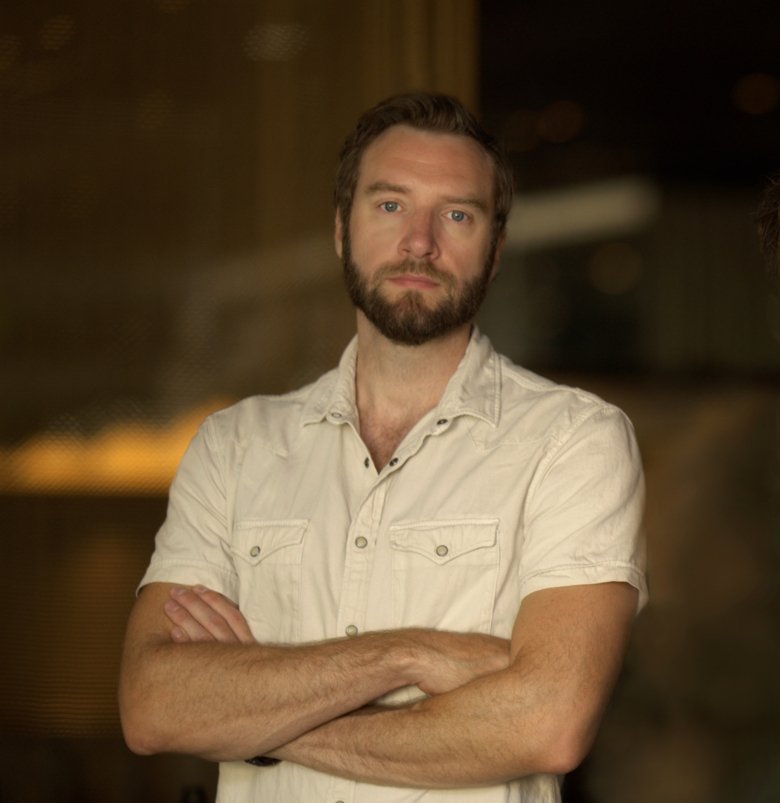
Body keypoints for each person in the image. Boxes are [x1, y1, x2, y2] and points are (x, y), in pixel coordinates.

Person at [119, 91, 647, 802]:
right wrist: (412, 654)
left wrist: (249, 715)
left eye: (457, 214)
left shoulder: (573, 441)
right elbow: (153, 705)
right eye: (390, 205)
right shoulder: (234, 446)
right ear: (342, 230)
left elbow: (546, 724)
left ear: (494, 253)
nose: (420, 242)